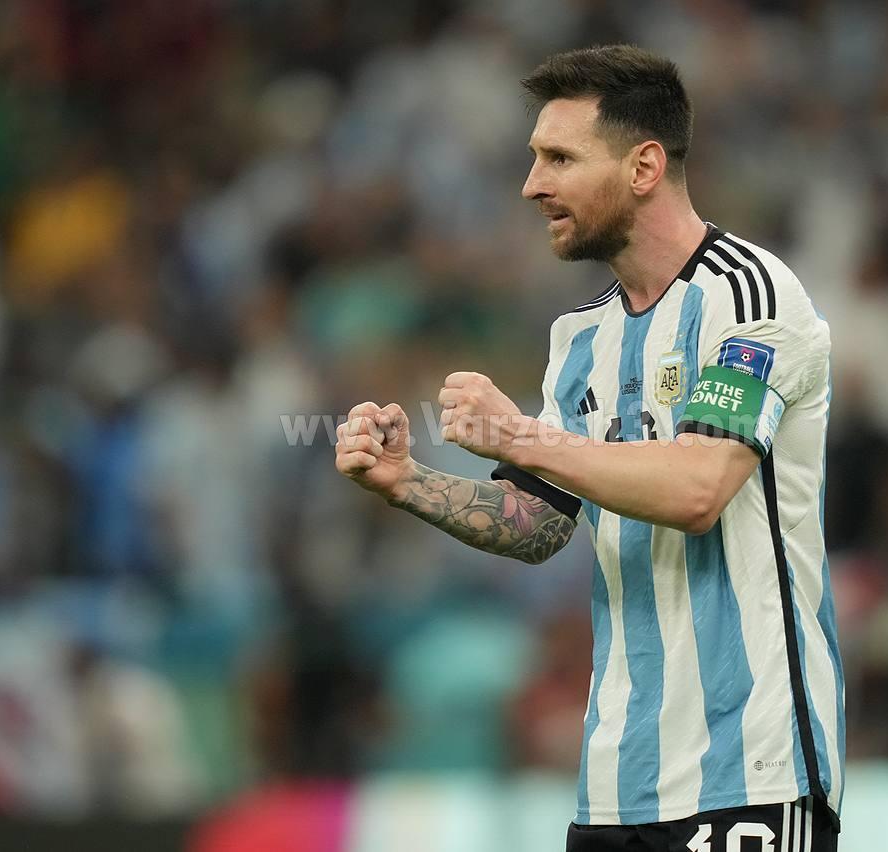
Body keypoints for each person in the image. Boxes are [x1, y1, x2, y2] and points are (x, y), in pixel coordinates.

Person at [335, 44, 843, 851]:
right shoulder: (580, 340)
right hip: (614, 786)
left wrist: (522, 434)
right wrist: (408, 482)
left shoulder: (752, 296)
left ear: (644, 166)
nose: (532, 184)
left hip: (751, 765)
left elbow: (698, 490)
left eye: (560, 159)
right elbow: (539, 523)